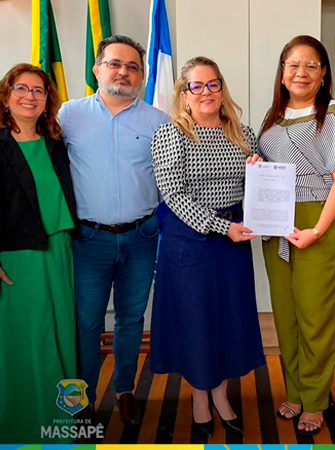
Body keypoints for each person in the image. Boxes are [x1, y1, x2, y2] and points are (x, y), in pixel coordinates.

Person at [150, 56, 265, 438]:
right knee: (196, 325)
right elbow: (173, 196)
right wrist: (221, 227)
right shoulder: (170, 134)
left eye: (213, 84)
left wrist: (258, 171)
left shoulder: (243, 134)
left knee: (226, 323)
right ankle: (201, 400)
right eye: (196, 86)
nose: (206, 92)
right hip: (190, 243)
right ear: (184, 94)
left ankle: (221, 396)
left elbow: (256, 187)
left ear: (222, 88)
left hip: (232, 244)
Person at [58, 35, 169, 424]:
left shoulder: (158, 120)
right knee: (86, 322)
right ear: (97, 68)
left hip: (142, 236)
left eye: (133, 66)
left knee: (130, 319)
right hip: (89, 239)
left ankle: (124, 391)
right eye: (115, 63)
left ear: (141, 75)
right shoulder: (68, 116)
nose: (123, 71)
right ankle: (81, 398)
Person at [258, 35, 335, 435]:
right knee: (286, 313)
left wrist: (317, 229)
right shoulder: (273, 117)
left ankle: (315, 399)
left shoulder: (330, 113)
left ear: (323, 73)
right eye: (292, 64)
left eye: (311, 65)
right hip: (275, 218)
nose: (300, 72)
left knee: (315, 316)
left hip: (318, 217)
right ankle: (295, 391)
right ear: (282, 72)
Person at [0, 63, 77, 443]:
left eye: (39, 91)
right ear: (6, 95)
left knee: (62, 333)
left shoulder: (55, 144)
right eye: (21, 88)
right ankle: (23, 421)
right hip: (17, 255)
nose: (30, 96)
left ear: (48, 101)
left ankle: (63, 421)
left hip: (60, 248)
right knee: (29, 336)